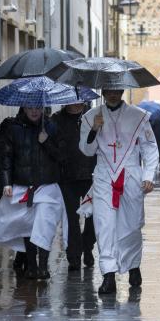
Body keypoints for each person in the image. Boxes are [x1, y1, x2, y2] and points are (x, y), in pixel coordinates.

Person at [79, 89, 159, 294]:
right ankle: (108, 274)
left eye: (116, 90)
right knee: (104, 225)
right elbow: (86, 151)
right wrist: (95, 130)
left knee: (131, 225)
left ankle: (133, 265)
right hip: (104, 176)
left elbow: (150, 148)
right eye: (109, 90)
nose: (113, 94)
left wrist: (148, 175)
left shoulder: (138, 116)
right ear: (103, 92)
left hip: (131, 176)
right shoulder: (91, 117)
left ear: (122, 91)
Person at [0, 106, 67, 281]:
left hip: (47, 186)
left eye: (37, 107)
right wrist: (7, 182)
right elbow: (6, 157)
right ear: (23, 107)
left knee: (45, 224)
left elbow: (62, 156)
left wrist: (46, 142)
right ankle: (31, 265)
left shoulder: (52, 126)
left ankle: (43, 266)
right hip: (23, 186)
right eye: (30, 107)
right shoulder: (13, 128)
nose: (34, 111)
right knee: (28, 225)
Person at [51, 102, 97, 271]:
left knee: (93, 219)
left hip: (91, 176)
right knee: (72, 219)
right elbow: (50, 148)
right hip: (67, 177)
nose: (76, 103)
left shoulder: (93, 117)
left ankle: (87, 246)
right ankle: (74, 255)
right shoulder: (55, 120)